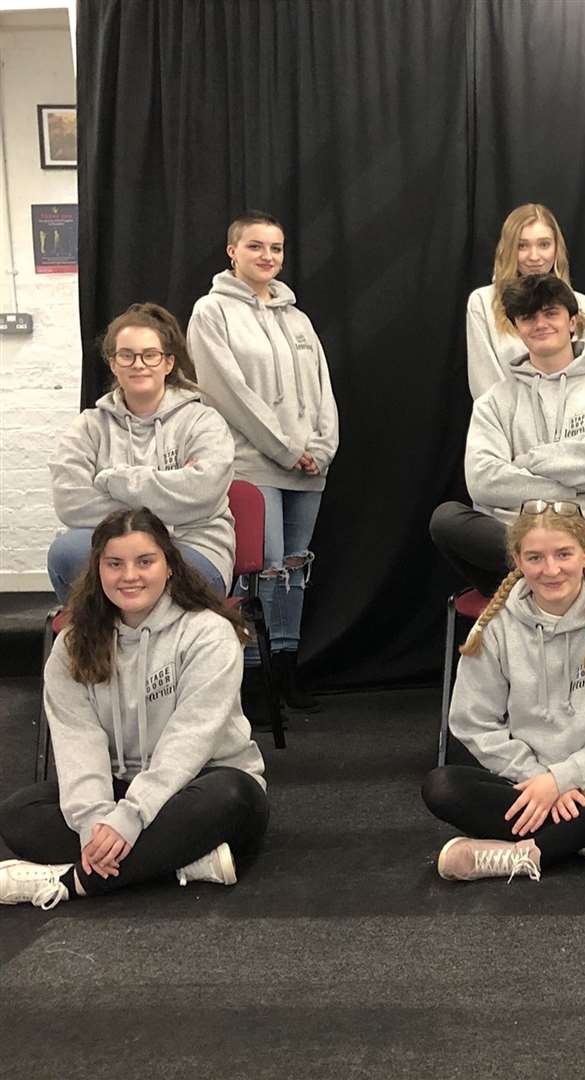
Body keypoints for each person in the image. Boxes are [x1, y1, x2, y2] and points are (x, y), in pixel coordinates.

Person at [0, 509, 269, 909]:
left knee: (234, 797)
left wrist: (132, 817)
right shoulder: (73, 644)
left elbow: (191, 737)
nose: (130, 576)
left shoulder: (209, 632)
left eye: (145, 561)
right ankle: (182, 863)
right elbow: (78, 742)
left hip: (197, 783)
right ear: (98, 570)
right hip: (118, 785)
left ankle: (69, 880)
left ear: (170, 566)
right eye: (115, 564)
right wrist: (96, 823)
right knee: (18, 813)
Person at [422, 501, 585, 883]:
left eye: (563, 554)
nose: (551, 569)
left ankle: (524, 854)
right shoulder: (494, 628)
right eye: (535, 557)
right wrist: (541, 780)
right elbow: (473, 723)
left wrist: (564, 779)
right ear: (517, 561)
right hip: (526, 784)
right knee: (442, 787)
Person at [188, 210, 339, 710]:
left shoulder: (297, 318)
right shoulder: (211, 313)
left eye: (275, 248)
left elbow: (323, 390)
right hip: (254, 464)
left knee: (294, 570)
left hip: (307, 467)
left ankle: (288, 674)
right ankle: (256, 679)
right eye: (255, 247)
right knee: (265, 570)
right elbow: (227, 391)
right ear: (232, 251)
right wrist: (285, 449)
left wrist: (320, 448)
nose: (267, 257)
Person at [430, 273, 585, 606]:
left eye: (551, 313)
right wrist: (573, 489)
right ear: (516, 328)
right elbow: (483, 481)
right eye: (528, 317)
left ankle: (565, 574)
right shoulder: (492, 403)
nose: (540, 323)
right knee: (446, 519)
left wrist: (529, 461)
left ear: (573, 321)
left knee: (562, 560)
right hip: (516, 539)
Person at [48, 303, 235, 603]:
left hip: (192, 546)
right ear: (113, 363)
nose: (139, 364)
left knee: (162, 578)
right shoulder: (87, 427)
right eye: (127, 355)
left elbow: (205, 493)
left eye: (150, 355)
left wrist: (114, 481)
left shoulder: (203, 422)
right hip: (112, 552)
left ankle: (155, 648)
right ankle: (106, 646)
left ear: (168, 363)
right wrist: (171, 489)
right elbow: (71, 502)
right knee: (66, 552)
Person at [467, 203, 585, 401]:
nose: (534, 257)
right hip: (507, 425)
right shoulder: (483, 303)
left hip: (572, 426)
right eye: (522, 246)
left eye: (544, 244)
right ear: (509, 249)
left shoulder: (580, 304)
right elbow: (484, 384)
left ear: (556, 248)